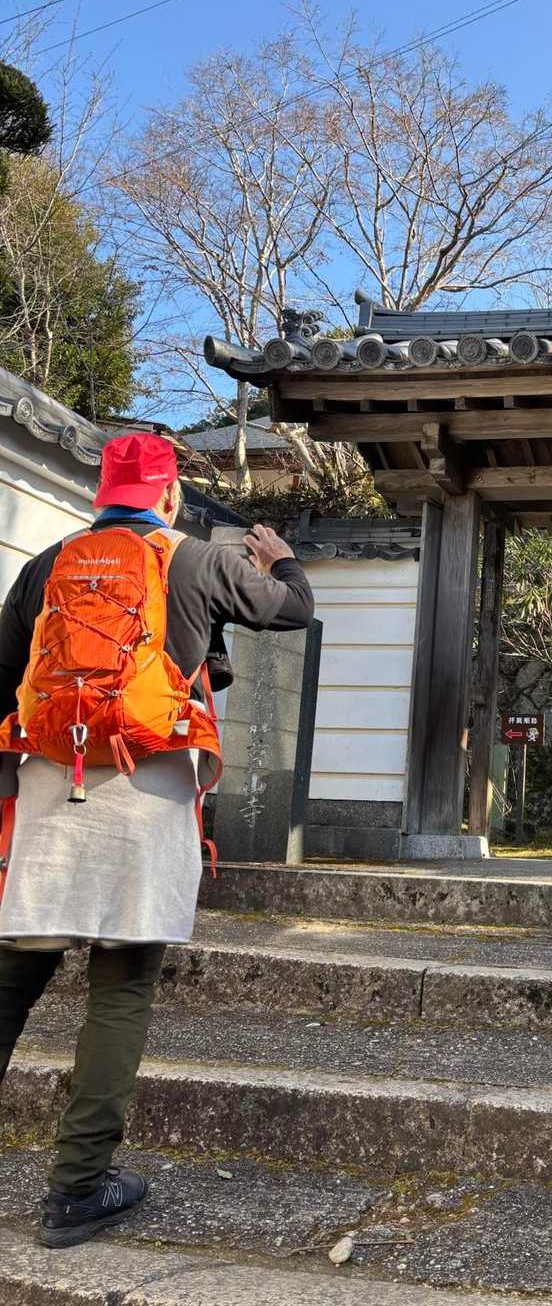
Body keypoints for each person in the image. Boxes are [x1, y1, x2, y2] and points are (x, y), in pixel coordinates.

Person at [0, 432, 313, 1248]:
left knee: (11, 982)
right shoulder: (196, 560)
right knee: (120, 986)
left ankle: (79, 1185)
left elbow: (2, 680)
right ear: (170, 497)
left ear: (99, 495)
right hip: (146, 794)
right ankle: (76, 1190)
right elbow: (294, 612)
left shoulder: (49, 565)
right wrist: (281, 561)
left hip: (50, 791)